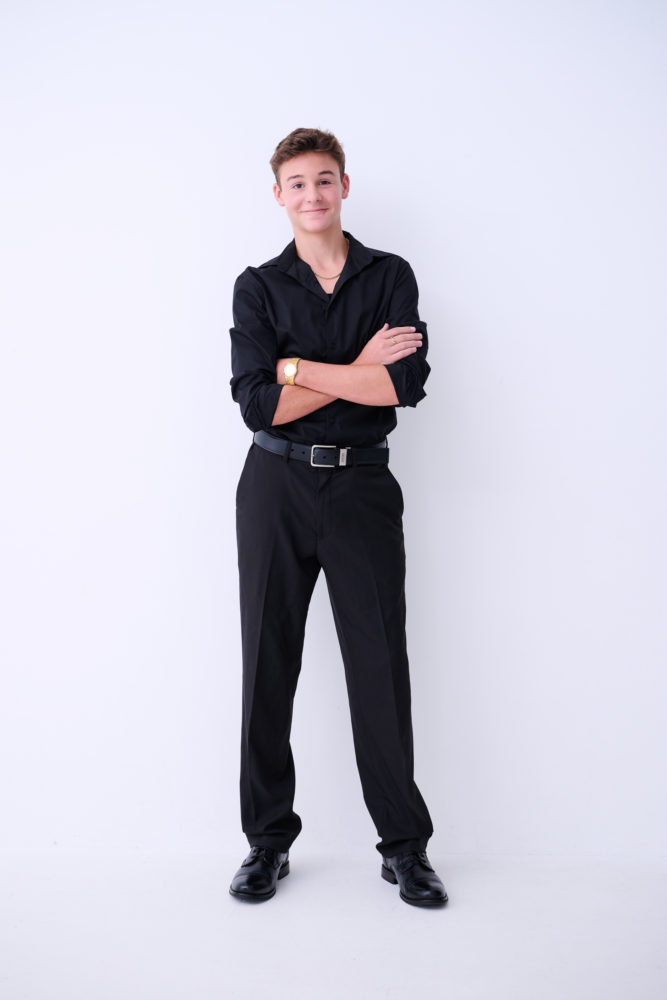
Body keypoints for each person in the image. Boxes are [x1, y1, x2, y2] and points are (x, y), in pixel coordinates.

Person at [227, 127, 448, 908]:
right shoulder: (257, 287)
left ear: (344, 186)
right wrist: (356, 367)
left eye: (324, 179)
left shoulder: (389, 276)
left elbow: (402, 387)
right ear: (278, 195)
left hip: (361, 488)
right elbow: (258, 403)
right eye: (297, 183)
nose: (312, 194)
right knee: (267, 663)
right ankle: (266, 843)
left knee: (378, 665)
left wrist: (297, 368)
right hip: (275, 486)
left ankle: (404, 848)